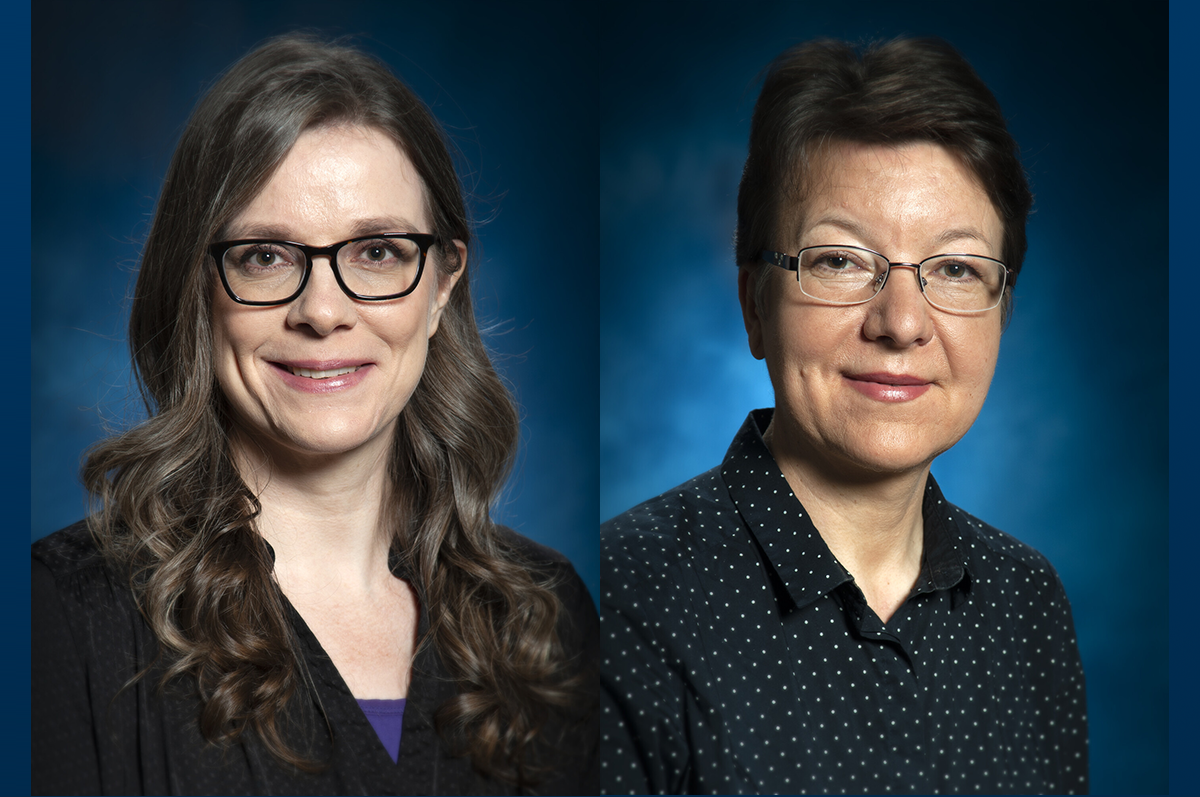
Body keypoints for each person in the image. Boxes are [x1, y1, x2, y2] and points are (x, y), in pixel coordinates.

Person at [32, 34, 597, 796]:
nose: (323, 311)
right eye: (265, 256)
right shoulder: (61, 619)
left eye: (378, 251)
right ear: (197, 285)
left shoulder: (547, 616)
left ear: (441, 286)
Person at [599, 37, 1088, 795]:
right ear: (754, 304)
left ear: (1003, 311)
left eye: (956, 269)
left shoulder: (1027, 603)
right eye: (840, 261)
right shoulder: (623, 601)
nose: (902, 324)